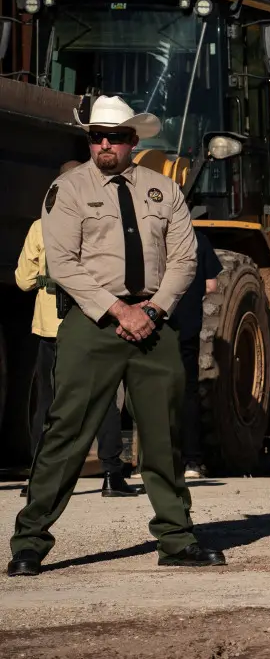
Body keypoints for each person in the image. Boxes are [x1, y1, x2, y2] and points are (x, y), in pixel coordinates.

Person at [7, 95, 225, 577]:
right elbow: (62, 262)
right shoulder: (66, 189)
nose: (105, 144)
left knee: (164, 435)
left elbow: (185, 258)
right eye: (96, 137)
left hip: (154, 321)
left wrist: (153, 308)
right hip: (93, 322)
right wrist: (117, 309)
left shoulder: (162, 190)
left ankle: (176, 538)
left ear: (134, 140)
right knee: (67, 430)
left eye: (116, 137)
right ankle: (29, 542)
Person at [16, 160, 145, 499]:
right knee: (103, 399)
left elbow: (22, 280)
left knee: (48, 403)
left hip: (48, 327)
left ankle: (36, 478)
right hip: (90, 324)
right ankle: (112, 475)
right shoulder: (101, 225)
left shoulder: (38, 228)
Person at [169, 228, 222, 479]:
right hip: (188, 324)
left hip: (156, 324)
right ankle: (191, 461)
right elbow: (212, 285)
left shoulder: (152, 237)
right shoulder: (197, 239)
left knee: (153, 393)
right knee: (188, 392)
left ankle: (156, 460)